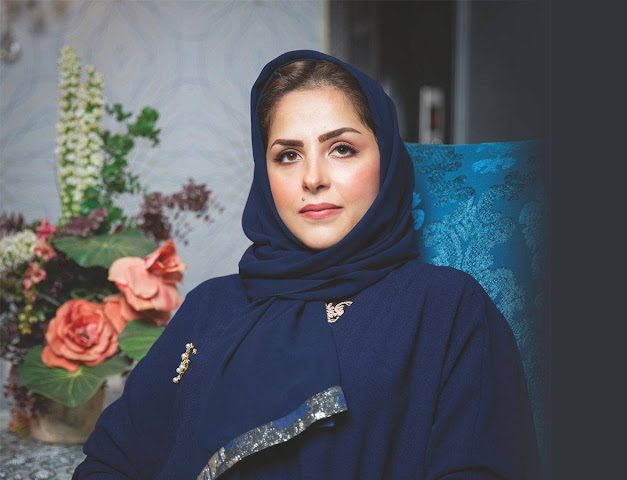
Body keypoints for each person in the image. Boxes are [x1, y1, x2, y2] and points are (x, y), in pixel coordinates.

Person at [73, 50, 542, 479]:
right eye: (288, 155)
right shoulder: (210, 306)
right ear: (264, 174)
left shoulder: (446, 305)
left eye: (342, 149)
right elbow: (110, 463)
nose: (313, 178)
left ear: (386, 160)